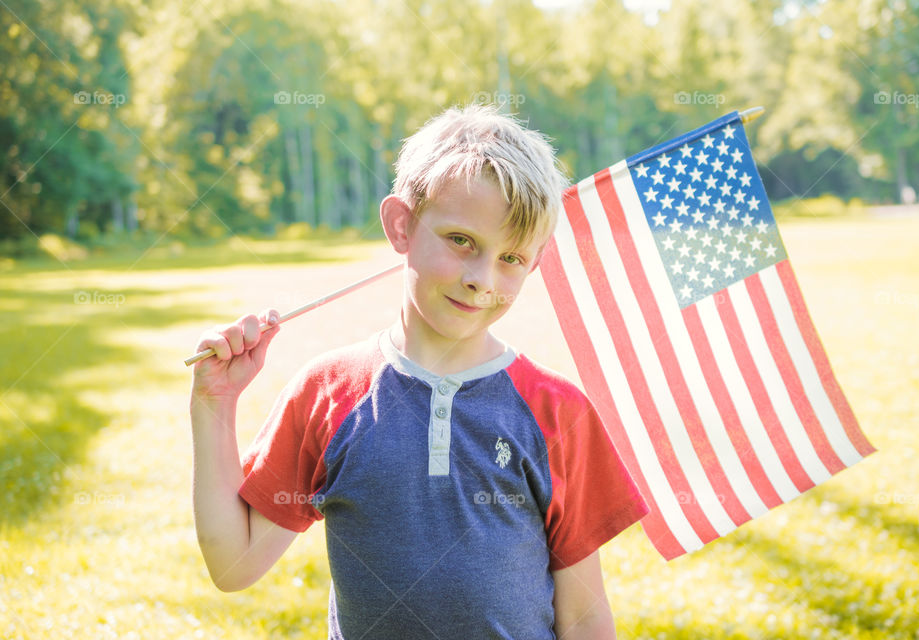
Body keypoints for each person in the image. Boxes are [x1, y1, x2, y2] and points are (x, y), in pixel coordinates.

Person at [189, 104, 649, 639]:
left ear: (536, 260)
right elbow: (233, 564)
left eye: (511, 258)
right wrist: (213, 405)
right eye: (461, 241)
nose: (482, 278)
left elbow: (584, 614)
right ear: (401, 224)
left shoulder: (556, 411)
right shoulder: (330, 393)